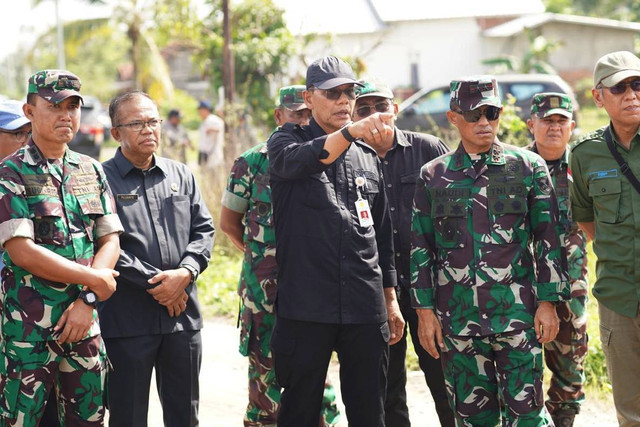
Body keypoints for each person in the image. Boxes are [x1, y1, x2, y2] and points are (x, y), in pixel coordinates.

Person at [411, 76, 569, 426]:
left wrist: (549, 303)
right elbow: (421, 246)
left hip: (517, 317)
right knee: (472, 418)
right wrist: (424, 312)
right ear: (453, 117)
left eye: (491, 113)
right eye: (474, 115)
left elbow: (548, 238)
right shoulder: (433, 175)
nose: (484, 122)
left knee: (527, 415)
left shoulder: (527, 167)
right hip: (459, 320)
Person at [267, 55, 404, 427]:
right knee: (300, 411)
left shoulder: (367, 157)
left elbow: (382, 234)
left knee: (370, 411)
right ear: (310, 97)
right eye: (333, 93)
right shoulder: (285, 143)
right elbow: (303, 161)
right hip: (307, 307)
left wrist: (390, 300)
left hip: (363, 303)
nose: (344, 101)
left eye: (350, 92)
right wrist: (350, 134)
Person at [0, 69, 123, 426]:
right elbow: (22, 251)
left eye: (73, 106)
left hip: (83, 325)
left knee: (88, 420)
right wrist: (95, 281)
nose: (66, 115)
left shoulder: (91, 170)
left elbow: (109, 238)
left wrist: (87, 299)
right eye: (54, 106)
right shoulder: (10, 173)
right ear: (29, 111)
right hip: (28, 332)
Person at [220, 85, 340, 426]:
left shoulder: (329, 156)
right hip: (266, 293)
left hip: (314, 290)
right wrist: (263, 256)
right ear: (278, 116)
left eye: (308, 115)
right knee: (266, 382)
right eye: (295, 114)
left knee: (318, 380)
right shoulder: (252, 161)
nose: (303, 122)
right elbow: (230, 223)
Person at [100, 91, 215, 427]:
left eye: (153, 121)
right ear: (116, 133)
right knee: (128, 415)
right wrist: (161, 284)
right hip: (128, 320)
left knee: (185, 415)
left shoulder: (181, 175)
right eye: (136, 123)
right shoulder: (98, 178)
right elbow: (104, 243)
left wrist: (186, 272)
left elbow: (204, 229)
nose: (148, 129)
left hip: (183, 320)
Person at [352, 78, 454, 427]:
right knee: (388, 387)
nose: (374, 114)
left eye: (381, 105)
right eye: (362, 109)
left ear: (395, 108)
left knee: (445, 381)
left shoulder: (428, 149)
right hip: (376, 291)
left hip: (432, 288)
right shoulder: (349, 159)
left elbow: (458, 210)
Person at [569, 50, 640, 425]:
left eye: (637, 85)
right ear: (599, 97)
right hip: (619, 300)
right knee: (630, 410)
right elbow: (586, 219)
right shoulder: (585, 155)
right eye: (620, 87)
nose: (631, 95)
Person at [526, 92, 588, 427]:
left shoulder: (584, 168)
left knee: (570, 367)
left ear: (572, 126)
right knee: (521, 365)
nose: (554, 127)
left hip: (572, 286)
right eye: (546, 120)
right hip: (521, 285)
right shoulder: (511, 167)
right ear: (530, 124)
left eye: (560, 120)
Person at [197, 100, 224, 168]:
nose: (199, 112)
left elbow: (219, 129)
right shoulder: (205, 120)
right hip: (204, 153)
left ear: (207, 110)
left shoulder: (213, 120)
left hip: (212, 154)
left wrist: (212, 129)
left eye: (201, 110)